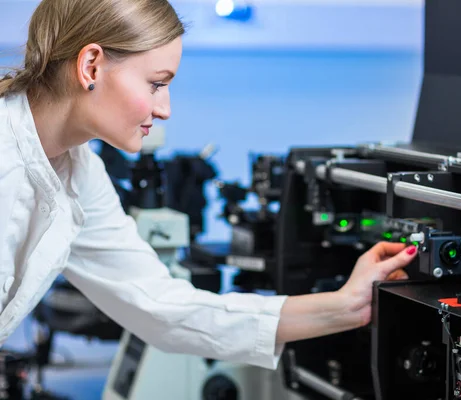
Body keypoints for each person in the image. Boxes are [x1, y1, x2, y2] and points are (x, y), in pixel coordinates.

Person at [0, 0, 418, 370]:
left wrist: (347, 306)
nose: (164, 109)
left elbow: (160, 307)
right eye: (157, 83)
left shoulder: (79, 171)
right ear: (91, 65)